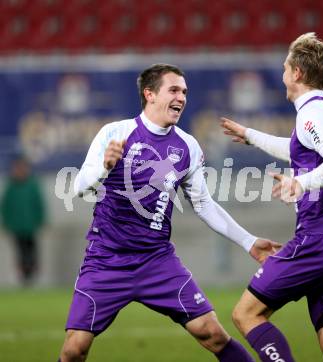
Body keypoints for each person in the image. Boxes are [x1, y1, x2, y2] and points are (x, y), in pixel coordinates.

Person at [58, 63, 281, 362]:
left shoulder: (187, 146)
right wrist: (105, 166)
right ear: (149, 94)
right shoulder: (115, 132)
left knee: (212, 333)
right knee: (74, 349)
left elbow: (203, 204)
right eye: (174, 90)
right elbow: (79, 188)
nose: (182, 98)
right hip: (107, 259)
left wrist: (249, 241)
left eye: (185, 92)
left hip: (156, 260)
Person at [221, 33, 323, 362]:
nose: (282, 74)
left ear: (296, 73)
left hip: (319, 240)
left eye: (284, 67)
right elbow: (298, 147)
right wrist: (250, 135)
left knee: (246, 314)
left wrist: (301, 184)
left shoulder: (312, 114)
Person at [0, 155, 46, 285]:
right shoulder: (11, 186)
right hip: (17, 226)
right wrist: (6, 222)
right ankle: (23, 276)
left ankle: (33, 275)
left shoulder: (32, 185)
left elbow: (39, 204)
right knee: (20, 251)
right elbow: (5, 206)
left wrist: (40, 219)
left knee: (32, 251)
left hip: (30, 226)